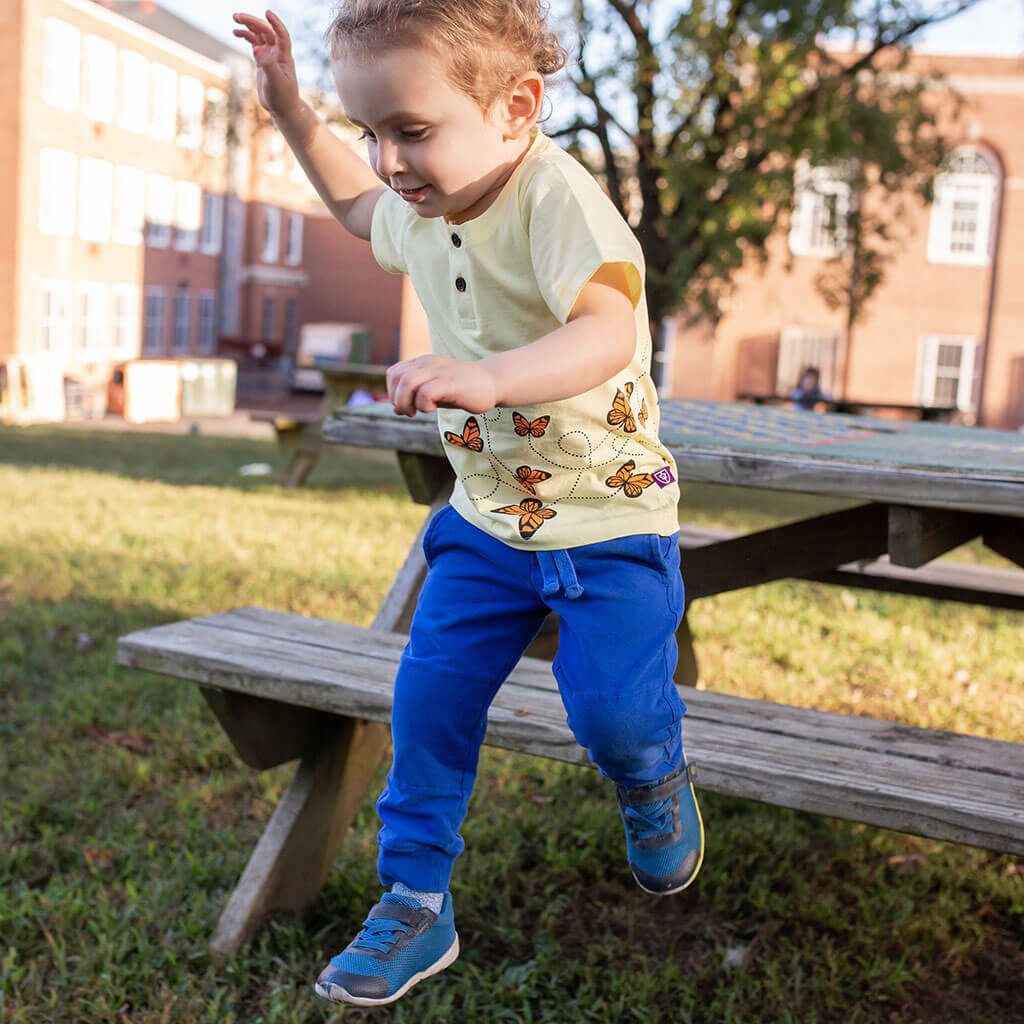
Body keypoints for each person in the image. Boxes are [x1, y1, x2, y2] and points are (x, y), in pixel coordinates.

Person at [233, 1, 704, 1006]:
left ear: (515, 107)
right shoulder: (419, 206)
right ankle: (412, 897)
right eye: (371, 128)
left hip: (611, 522)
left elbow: (607, 329)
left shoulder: (554, 198)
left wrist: (491, 378)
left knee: (612, 712)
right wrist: (286, 105)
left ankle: (652, 774)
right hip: (491, 526)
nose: (388, 158)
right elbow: (356, 202)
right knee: (427, 697)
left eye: (411, 129)